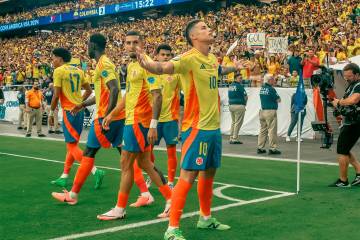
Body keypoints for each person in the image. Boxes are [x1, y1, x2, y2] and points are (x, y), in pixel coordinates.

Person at [136, 19, 249, 240]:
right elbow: (162, 67)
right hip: (196, 129)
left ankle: (205, 218)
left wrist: (234, 68)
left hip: (213, 129)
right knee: (188, 176)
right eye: (203, 28)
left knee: (209, 173)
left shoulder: (211, 58)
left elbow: (216, 70)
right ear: (194, 37)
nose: (209, 29)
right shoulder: (188, 58)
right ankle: (172, 228)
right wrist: (146, 62)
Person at [96, 30, 172, 221]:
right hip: (133, 120)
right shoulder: (131, 65)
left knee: (126, 163)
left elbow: (157, 95)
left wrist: (153, 125)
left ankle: (119, 209)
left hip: (140, 121)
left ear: (143, 43)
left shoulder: (146, 64)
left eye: (135, 42)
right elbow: (128, 95)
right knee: (144, 163)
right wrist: (112, 114)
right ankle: (172, 200)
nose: (131, 46)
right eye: (128, 42)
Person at [51, 33, 123, 204]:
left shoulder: (103, 63)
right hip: (97, 113)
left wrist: (107, 115)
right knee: (128, 156)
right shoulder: (82, 69)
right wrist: (82, 104)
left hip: (95, 116)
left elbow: (113, 89)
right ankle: (150, 192)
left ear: (92, 45)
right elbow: (96, 92)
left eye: (87, 44)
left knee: (80, 149)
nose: (86, 48)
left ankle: (77, 190)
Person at [48, 47, 104, 188]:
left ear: (60, 59)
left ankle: (95, 171)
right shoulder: (79, 70)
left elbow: (56, 95)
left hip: (68, 112)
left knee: (72, 146)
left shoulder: (59, 71)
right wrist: (79, 103)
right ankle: (64, 176)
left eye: (53, 57)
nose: (52, 60)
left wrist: (51, 112)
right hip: (78, 111)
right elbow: (89, 91)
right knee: (71, 146)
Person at [329, 63, 360, 187]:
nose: (346, 78)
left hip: (355, 122)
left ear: (357, 75)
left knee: (342, 150)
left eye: (349, 76)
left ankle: (343, 180)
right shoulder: (352, 85)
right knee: (344, 149)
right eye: (345, 76)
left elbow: (354, 100)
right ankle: (359, 172)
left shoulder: (358, 85)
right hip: (352, 121)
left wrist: (339, 102)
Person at [257, 74, 281, 155]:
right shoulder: (271, 89)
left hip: (262, 111)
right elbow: (278, 100)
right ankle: (272, 148)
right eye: (273, 79)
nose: (274, 81)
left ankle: (260, 147)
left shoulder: (262, 89)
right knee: (272, 130)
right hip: (270, 111)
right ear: (269, 80)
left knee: (263, 130)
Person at [228, 72, 247, 144]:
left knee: (233, 122)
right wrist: (244, 104)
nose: (241, 79)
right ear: (236, 78)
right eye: (240, 78)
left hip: (231, 105)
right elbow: (245, 96)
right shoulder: (239, 86)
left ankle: (231, 137)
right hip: (239, 105)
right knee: (238, 123)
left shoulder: (230, 86)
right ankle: (234, 138)